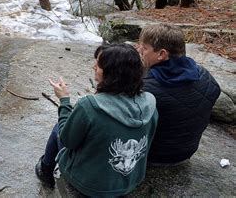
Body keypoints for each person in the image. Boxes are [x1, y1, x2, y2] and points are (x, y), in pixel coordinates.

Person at [35, 43, 158, 196]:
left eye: (99, 65)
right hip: (130, 180)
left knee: (58, 128)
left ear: (111, 74)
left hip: (89, 185)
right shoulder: (150, 102)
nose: (94, 67)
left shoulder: (89, 106)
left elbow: (67, 141)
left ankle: (45, 170)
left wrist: (64, 100)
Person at [137, 24, 221, 165]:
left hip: (153, 156)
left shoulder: (145, 87)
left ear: (162, 54)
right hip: (186, 152)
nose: (139, 50)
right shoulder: (206, 77)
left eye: (144, 48)